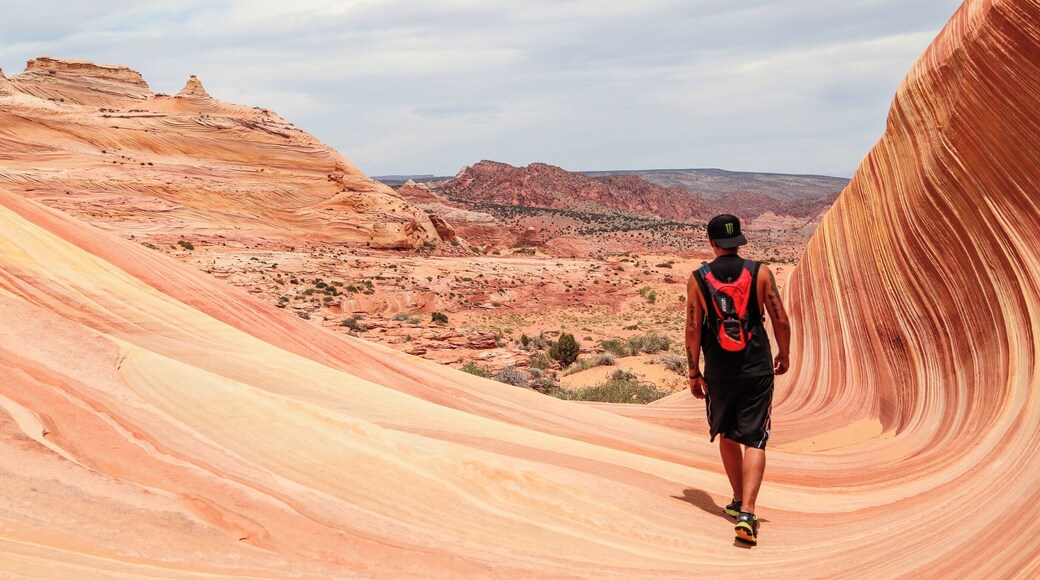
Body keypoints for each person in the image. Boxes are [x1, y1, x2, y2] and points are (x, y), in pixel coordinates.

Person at [685, 214, 791, 545]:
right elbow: (780, 318)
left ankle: (735, 500)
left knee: (727, 433)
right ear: (740, 241)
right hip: (757, 366)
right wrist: (783, 354)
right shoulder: (760, 273)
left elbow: (692, 328)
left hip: (719, 370)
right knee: (756, 438)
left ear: (712, 243)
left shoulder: (697, 278)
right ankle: (747, 511)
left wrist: (693, 371)